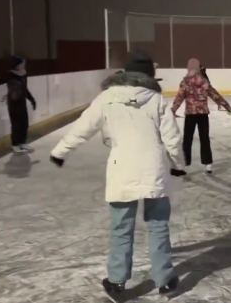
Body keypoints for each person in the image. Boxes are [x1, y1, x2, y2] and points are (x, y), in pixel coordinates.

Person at [49, 50, 185, 301]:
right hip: (153, 170)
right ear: (150, 76)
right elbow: (172, 138)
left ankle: (117, 282)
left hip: (121, 169)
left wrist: (60, 151)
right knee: (157, 226)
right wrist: (178, 164)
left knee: (122, 228)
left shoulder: (107, 97)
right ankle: (165, 280)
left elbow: (83, 127)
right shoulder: (156, 99)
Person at [172, 58, 231, 174]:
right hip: (203, 114)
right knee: (204, 139)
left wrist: (173, 110)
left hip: (190, 114)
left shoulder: (185, 82)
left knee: (187, 140)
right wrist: (227, 106)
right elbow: (215, 95)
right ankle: (208, 164)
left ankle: (185, 164)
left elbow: (179, 97)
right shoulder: (204, 82)